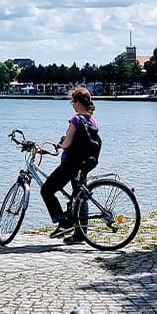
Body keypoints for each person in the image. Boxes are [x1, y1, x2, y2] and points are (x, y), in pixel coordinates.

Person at [40, 87, 100, 243]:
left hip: (71, 163)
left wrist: (60, 145)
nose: (72, 105)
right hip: (84, 163)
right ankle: (81, 234)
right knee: (81, 196)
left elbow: (67, 143)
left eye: (73, 101)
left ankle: (63, 223)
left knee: (46, 190)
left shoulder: (76, 119)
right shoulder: (93, 120)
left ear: (79, 103)